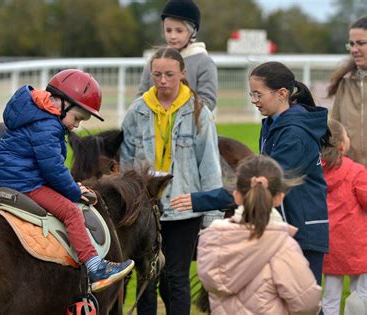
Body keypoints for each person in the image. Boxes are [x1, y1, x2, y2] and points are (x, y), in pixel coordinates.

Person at [171, 61, 330, 287]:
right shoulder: (273, 125)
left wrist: (202, 200)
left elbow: (261, 185)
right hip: (281, 226)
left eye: (258, 94)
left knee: (302, 304)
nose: (254, 101)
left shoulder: (295, 134)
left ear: (282, 94)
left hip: (302, 230)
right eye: (251, 94)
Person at [0, 69, 134, 293]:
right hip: (25, 184)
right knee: (71, 211)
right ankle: (95, 267)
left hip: (18, 178)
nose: (76, 125)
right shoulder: (47, 126)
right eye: (77, 118)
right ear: (61, 104)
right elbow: (53, 169)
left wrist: (71, 185)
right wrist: (74, 193)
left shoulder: (37, 116)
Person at [120, 47, 222, 315]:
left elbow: (209, 166)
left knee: (175, 276)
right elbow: (127, 165)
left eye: (169, 74)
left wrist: (212, 217)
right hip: (146, 209)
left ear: (182, 73)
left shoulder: (199, 112)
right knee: (146, 276)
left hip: (184, 209)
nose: (162, 80)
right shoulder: (138, 110)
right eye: (156, 74)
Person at [197, 155, 322, 315]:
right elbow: (307, 304)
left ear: (236, 196)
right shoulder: (284, 247)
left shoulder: (212, 239)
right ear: (279, 198)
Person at [320, 119, 367, 315]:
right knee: (361, 294)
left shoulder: (314, 173)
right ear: (342, 145)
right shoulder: (356, 171)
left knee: (330, 298)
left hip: (329, 245)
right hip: (358, 244)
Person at [136, 0, 218, 112]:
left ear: (192, 32)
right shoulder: (155, 60)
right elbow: (141, 97)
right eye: (168, 30)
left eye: (179, 31)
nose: (173, 36)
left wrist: (174, 114)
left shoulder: (204, 62)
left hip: (193, 127)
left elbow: (208, 101)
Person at [328, 16, 367, 166]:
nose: (354, 49)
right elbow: (334, 130)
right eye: (351, 44)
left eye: (361, 43)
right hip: (351, 176)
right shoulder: (345, 83)